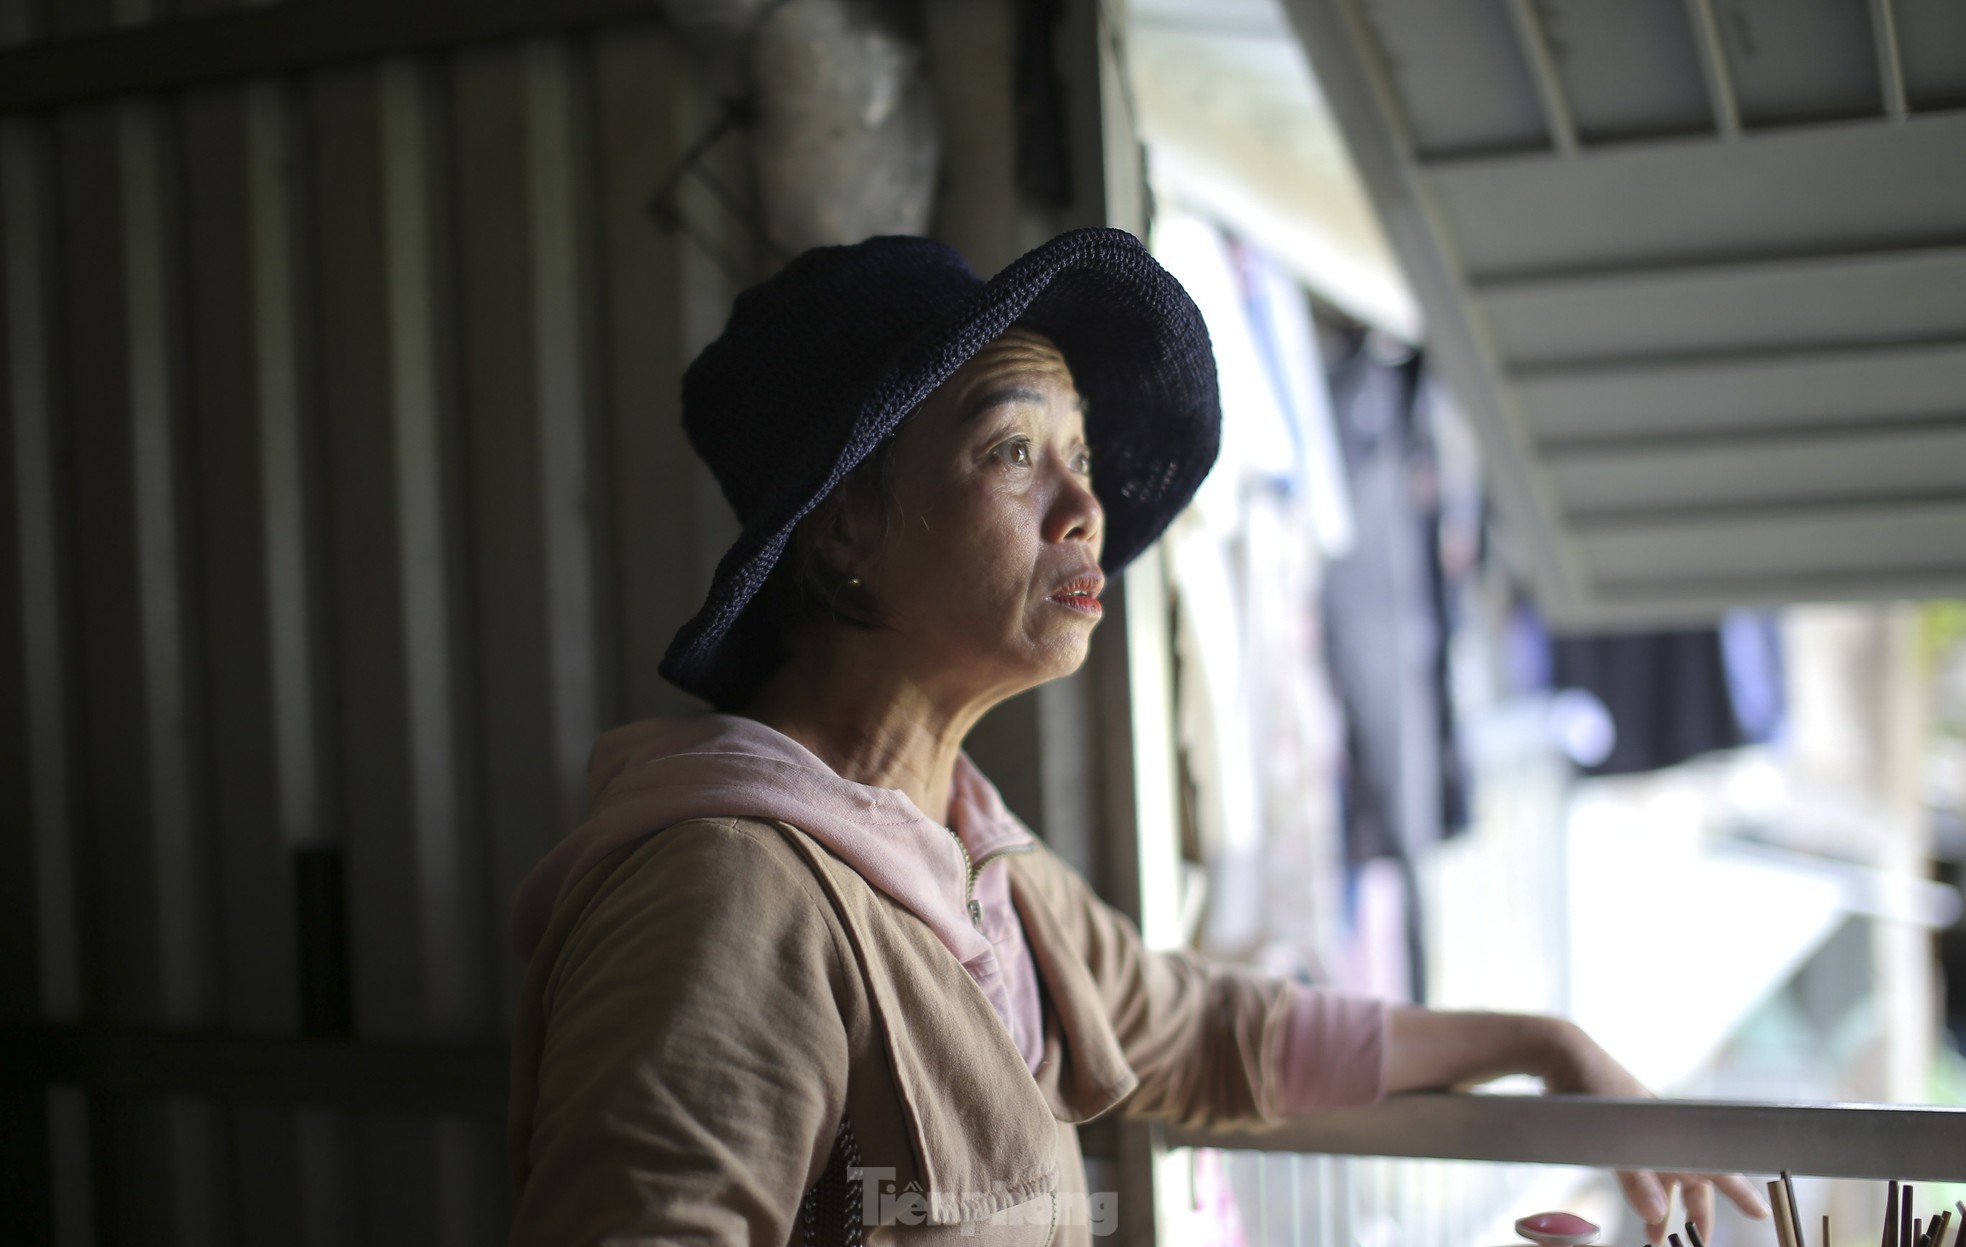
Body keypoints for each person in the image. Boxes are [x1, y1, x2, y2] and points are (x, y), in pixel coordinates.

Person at [504, 229, 1767, 1245]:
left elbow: (1208, 1030)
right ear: (842, 530)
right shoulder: (735, 893)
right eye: (1014, 450)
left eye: (1083, 454)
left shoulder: (979, 864)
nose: (1084, 506)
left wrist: (1546, 1044)